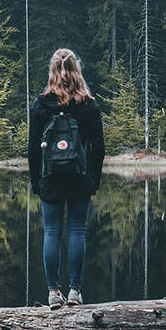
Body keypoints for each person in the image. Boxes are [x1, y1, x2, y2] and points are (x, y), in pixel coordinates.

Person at [28, 48, 105, 309]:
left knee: (51, 232)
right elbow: (99, 148)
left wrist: (36, 182)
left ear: (53, 71)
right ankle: (74, 292)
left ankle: (52, 293)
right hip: (80, 178)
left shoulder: (41, 104)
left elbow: (32, 149)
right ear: (77, 70)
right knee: (77, 231)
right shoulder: (88, 104)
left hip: (50, 177)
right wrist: (94, 180)